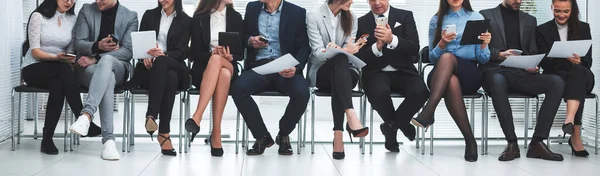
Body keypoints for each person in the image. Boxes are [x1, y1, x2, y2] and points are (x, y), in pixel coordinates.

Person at [480, 0, 564, 161]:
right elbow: (479, 49)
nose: (518, 1)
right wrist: (500, 54)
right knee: (498, 80)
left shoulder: (530, 20)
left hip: (521, 74)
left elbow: (532, 51)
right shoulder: (486, 15)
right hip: (495, 71)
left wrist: (531, 65)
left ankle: (537, 143)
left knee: (556, 82)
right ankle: (512, 143)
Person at [411, 0, 490, 162]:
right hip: (441, 73)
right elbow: (432, 58)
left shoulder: (476, 18)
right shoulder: (436, 20)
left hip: (469, 73)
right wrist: (442, 43)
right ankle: (470, 140)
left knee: (448, 58)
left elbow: (483, 59)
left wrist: (484, 44)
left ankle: (428, 111)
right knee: (451, 79)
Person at [231, 0, 310, 156]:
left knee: (302, 92)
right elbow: (243, 37)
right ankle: (262, 136)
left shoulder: (297, 12)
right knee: (238, 88)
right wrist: (250, 41)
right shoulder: (252, 8)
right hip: (259, 67)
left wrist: (296, 67)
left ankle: (284, 134)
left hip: (285, 67)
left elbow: (304, 46)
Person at [68, 0, 138, 161]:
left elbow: (127, 51)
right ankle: (108, 141)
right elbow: (79, 44)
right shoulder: (87, 10)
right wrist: (98, 45)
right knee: (108, 78)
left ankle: (86, 115)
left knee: (107, 63)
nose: (98, 1)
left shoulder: (130, 16)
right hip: (88, 71)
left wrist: (97, 58)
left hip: (118, 67)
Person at [356, 0, 428, 153]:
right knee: (379, 92)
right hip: (376, 72)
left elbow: (414, 48)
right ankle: (401, 125)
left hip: (404, 71)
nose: (376, 3)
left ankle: (392, 126)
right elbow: (360, 57)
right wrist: (378, 46)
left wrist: (392, 39)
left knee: (420, 91)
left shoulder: (405, 16)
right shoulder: (361, 22)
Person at [21, 0, 90, 155]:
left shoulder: (73, 20)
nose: (69, 2)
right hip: (34, 68)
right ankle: (82, 117)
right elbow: (35, 51)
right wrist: (56, 58)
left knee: (58, 85)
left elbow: (70, 50)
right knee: (62, 70)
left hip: (58, 68)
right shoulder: (38, 17)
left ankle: (47, 140)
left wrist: (69, 58)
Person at [124, 0, 191, 156]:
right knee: (171, 78)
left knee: (165, 65)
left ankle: (151, 115)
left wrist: (163, 55)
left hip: (174, 63)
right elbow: (138, 43)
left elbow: (182, 52)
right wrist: (143, 56)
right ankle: (164, 134)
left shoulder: (186, 20)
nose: (163, 0)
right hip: (150, 69)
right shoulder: (149, 15)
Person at [306, 0, 369, 160]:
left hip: (347, 72)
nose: (352, 2)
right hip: (322, 73)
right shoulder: (314, 16)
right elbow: (318, 53)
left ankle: (339, 133)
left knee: (341, 66)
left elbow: (349, 51)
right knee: (340, 60)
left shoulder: (352, 18)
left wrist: (346, 50)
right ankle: (350, 117)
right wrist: (342, 50)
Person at [185, 0, 243, 157]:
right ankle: (216, 133)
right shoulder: (199, 18)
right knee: (221, 72)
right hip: (203, 70)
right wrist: (211, 54)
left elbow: (240, 53)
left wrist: (229, 56)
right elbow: (194, 53)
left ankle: (197, 116)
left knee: (220, 62)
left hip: (229, 63)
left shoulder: (236, 17)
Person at [537, 0, 593, 157]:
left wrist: (579, 61)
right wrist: (561, 57)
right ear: (552, 8)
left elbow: (588, 60)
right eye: (557, 11)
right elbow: (543, 61)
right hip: (558, 75)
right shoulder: (541, 30)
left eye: (566, 11)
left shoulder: (583, 28)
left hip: (582, 73)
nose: (561, 15)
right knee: (575, 81)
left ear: (572, 10)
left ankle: (569, 120)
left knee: (577, 72)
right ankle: (575, 136)